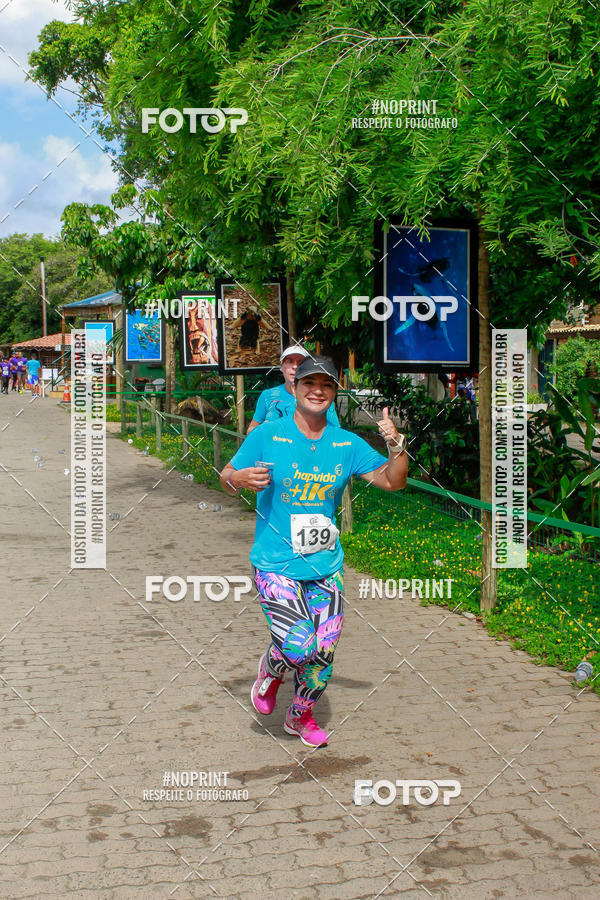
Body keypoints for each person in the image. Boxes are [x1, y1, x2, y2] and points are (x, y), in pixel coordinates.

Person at [220, 356, 407, 748]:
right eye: (309, 383)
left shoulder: (346, 443)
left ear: (335, 392)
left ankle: (300, 717)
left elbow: (393, 481)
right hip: (276, 564)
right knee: (298, 644)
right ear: (295, 388)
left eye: (326, 384)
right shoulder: (268, 435)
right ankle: (271, 671)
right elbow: (226, 477)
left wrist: (396, 446)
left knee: (322, 655)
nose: (317, 390)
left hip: (325, 565)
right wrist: (238, 478)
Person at [247, 345, 339, 433]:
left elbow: (335, 432)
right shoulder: (268, 395)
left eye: (300, 362)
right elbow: (251, 430)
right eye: (289, 361)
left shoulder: (319, 399)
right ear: (281, 367)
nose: (295, 366)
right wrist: (264, 429)